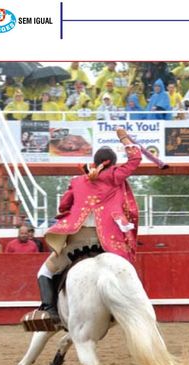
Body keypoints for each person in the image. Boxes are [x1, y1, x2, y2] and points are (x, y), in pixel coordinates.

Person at [35, 125, 140, 323]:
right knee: (126, 270)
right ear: (113, 163)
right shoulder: (115, 176)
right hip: (107, 242)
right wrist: (124, 139)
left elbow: (63, 205)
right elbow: (135, 159)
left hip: (78, 241)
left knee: (45, 271)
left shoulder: (77, 181)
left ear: (96, 162)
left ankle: (50, 311)